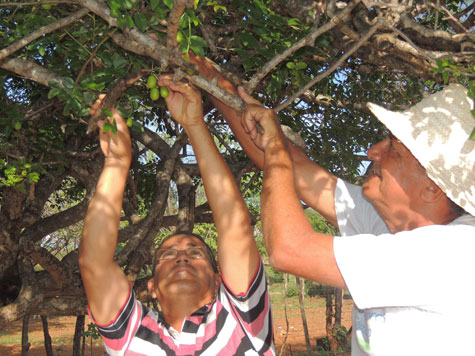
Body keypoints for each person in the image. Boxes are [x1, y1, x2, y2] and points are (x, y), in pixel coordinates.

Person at [190, 55, 475, 356]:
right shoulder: (392, 225)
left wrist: (275, 148)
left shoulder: (454, 252)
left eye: (393, 148)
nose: (372, 151)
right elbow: (293, 167)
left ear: (433, 188)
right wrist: (206, 74)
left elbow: (290, 249)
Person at [79, 79, 275, 354]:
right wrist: (117, 161)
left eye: (195, 253)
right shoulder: (132, 334)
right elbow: (94, 263)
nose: (181, 258)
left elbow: (235, 225)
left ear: (221, 280)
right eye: (167, 256)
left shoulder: (242, 316)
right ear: (152, 287)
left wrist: (194, 125)